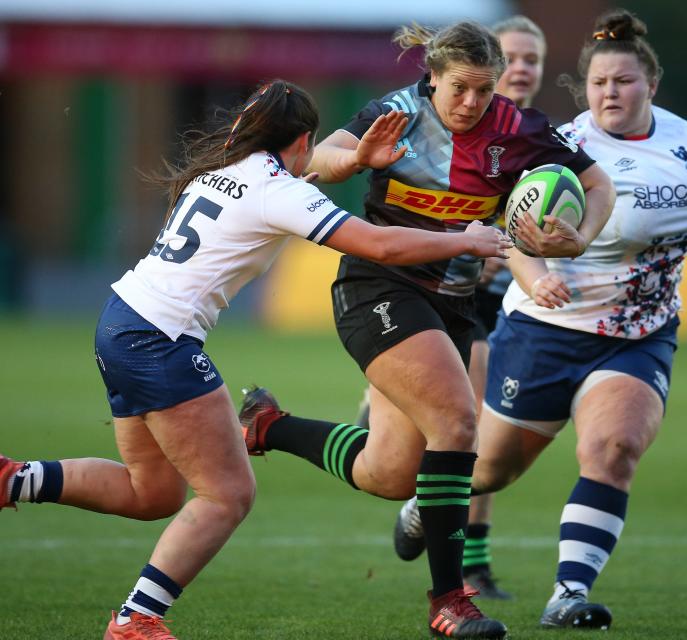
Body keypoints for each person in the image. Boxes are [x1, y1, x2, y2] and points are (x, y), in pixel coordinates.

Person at [0, 79, 510, 640]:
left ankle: (12, 480)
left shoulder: (228, 173)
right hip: (160, 340)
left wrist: (354, 161)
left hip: (120, 320)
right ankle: (135, 620)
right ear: (305, 138)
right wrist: (466, 240)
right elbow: (383, 245)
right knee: (228, 494)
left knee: (153, 494)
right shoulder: (279, 191)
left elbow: (281, 196)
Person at [395, 8, 687, 630]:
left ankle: (568, 593)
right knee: (491, 468)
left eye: (623, 82)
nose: (610, 93)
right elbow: (511, 232)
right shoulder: (560, 146)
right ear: (585, 88)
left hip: (638, 336)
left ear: (650, 84)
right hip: (546, 330)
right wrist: (536, 275)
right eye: (599, 83)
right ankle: (423, 504)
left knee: (615, 446)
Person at [237, 20, 615, 640]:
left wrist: (583, 234)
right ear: (431, 77)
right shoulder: (395, 112)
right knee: (458, 423)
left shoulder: (518, 130)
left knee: (389, 475)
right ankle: (450, 601)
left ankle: (269, 427)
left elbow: (597, 184)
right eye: (459, 88)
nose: (472, 103)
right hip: (379, 289)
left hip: (454, 306)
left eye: (484, 90)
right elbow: (320, 162)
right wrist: (358, 157)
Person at [389, 15, 549, 602]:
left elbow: (547, 206)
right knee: (458, 424)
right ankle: (460, 561)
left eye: (533, 58)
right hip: (431, 288)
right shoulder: (437, 121)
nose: (525, 67)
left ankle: (464, 556)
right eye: (516, 55)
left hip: (502, 293)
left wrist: (537, 253)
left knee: (458, 432)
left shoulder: (538, 136)